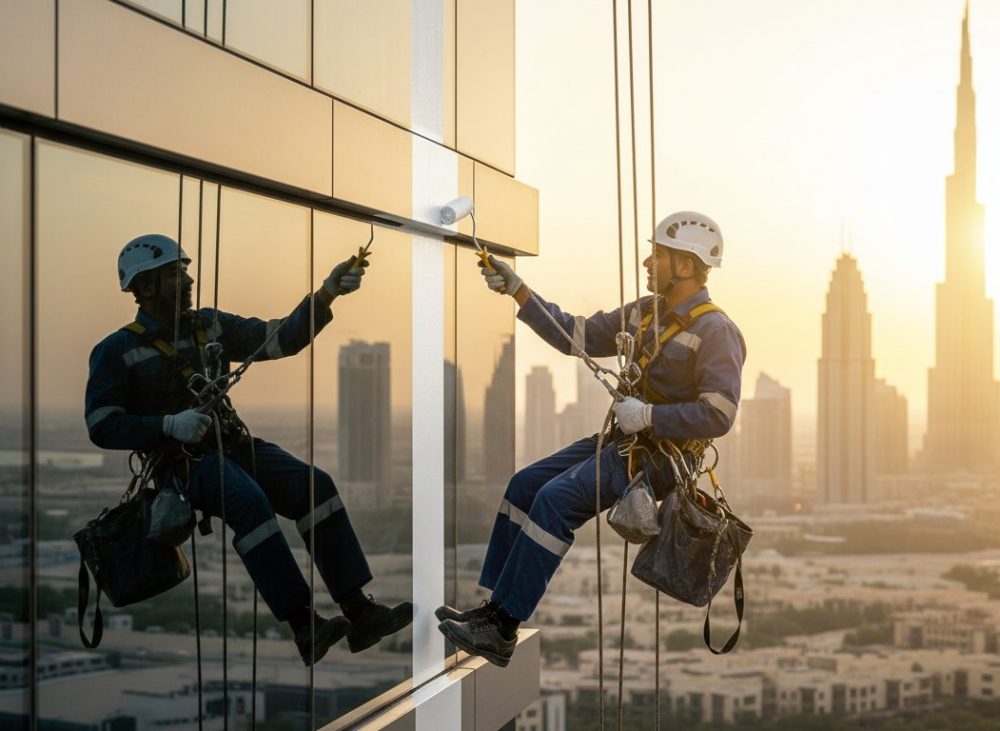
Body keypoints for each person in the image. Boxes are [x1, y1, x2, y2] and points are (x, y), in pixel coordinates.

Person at [85, 233, 412, 666]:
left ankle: (359, 611)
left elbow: (278, 338)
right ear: (143, 286)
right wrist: (167, 425)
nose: (188, 280)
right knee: (249, 503)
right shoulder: (117, 350)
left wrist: (327, 294)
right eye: (174, 274)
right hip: (184, 466)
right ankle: (304, 625)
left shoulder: (209, 326)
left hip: (235, 445)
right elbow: (102, 425)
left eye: (184, 271)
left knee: (314, 486)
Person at [435, 211, 746, 667]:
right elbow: (575, 335)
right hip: (624, 441)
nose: (647, 262)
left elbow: (719, 413)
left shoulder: (716, 330)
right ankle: (495, 609)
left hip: (659, 459)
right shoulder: (643, 313)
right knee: (525, 485)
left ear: (685, 264)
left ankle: (502, 628)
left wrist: (650, 416)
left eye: (657, 255)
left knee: (555, 500)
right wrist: (518, 291)